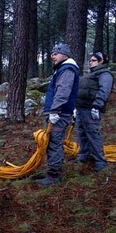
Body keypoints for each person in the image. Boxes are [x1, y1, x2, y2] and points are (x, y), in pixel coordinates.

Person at [35, 43, 80, 186]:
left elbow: (62, 92)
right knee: (52, 142)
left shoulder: (67, 70)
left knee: (55, 143)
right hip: (59, 112)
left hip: (59, 114)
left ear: (65, 55)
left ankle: (54, 176)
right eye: (52, 53)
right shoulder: (62, 69)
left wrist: (55, 110)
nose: (52, 56)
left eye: (56, 53)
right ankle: (51, 171)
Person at [74, 52, 114, 172]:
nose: (90, 62)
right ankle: (84, 156)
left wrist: (97, 106)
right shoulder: (91, 74)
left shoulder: (105, 74)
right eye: (90, 60)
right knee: (81, 133)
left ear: (101, 61)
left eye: (93, 60)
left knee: (92, 134)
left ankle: (100, 161)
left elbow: (104, 90)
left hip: (91, 109)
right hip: (81, 108)